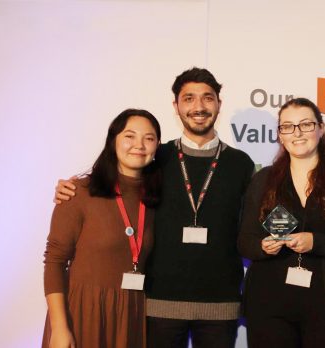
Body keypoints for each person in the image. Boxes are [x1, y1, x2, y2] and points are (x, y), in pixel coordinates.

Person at [54, 68, 254, 348]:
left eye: (207, 98)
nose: (198, 107)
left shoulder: (241, 163)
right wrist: (72, 187)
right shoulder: (156, 156)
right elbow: (117, 186)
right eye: (189, 98)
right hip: (158, 303)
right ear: (176, 106)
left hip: (220, 305)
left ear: (219, 104)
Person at [237, 97, 325, 348]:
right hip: (270, 306)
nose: (297, 133)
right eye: (288, 126)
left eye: (306, 124)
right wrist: (262, 246)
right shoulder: (264, 180)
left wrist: (315, 242)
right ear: (280, 135)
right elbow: (245, 242)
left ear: (320, 129)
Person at [43, 109, 161, 348]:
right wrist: (59, 327)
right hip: (84, 313)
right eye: (129, 136)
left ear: (157, 146)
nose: (139, 145)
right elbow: (55, 262)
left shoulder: (157, 198)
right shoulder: (79, 192)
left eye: (148, 138)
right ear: (113, 141)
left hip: (132, 312)